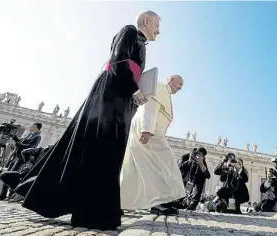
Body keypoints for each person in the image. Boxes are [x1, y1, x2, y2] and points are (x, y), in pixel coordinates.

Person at [19, 11, 161, 230]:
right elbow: (119, 60)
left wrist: (137, 94)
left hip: (122, 99)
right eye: (157, 25)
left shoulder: (142, 44)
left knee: (110, 152)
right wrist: (134, 89)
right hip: (110, 94)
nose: (159, 31)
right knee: (102, 147)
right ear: (147, 21)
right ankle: (93, 214)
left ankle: (94, 211)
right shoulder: (129, 31)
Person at [120, 75, 185, 215]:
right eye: (179, 83)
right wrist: (147, 128)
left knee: (135, 166)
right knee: (164, 162)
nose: (180, 87)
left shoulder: (166, 93)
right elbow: (150, 105)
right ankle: (159, 202)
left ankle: (122, 202)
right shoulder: (160, 86)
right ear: (171, 79)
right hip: (150, 128)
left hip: (150, 128)